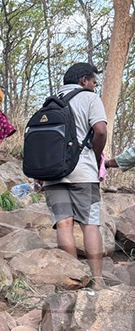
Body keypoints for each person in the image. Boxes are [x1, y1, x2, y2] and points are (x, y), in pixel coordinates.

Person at [42, 63, 108, 288]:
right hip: (83, 173)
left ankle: (74, 279)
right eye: (93, 82)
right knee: (90, 224)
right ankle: (97, 281)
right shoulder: (90, 99)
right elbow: (100, 130)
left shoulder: (50, 101)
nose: (94, 86)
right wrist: (97, 156)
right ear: (83, 80)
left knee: (63, 225)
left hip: (53, 173)